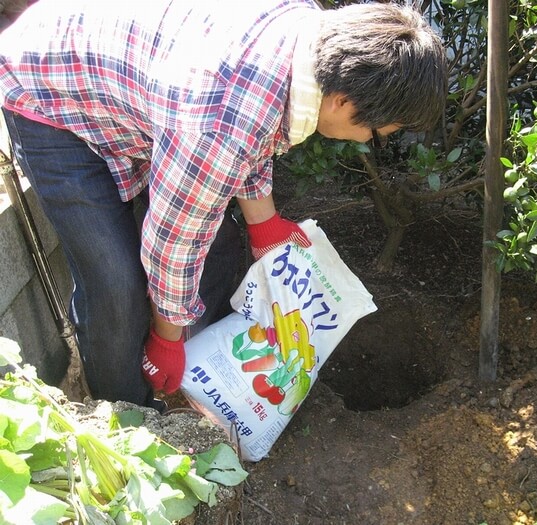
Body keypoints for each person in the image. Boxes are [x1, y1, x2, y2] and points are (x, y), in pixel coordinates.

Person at [0, 0, 447, 411]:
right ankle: (127, 413)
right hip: (48, 92)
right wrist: (165, 337)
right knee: (116, 283)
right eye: (375, 133)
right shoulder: (221, 126)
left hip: (128, 74)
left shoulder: (313, 40)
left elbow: (260, 128)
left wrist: (264, 220)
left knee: (218, 246)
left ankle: (196, 371)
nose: (370, 142)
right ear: (342, 102)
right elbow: (172, 239)